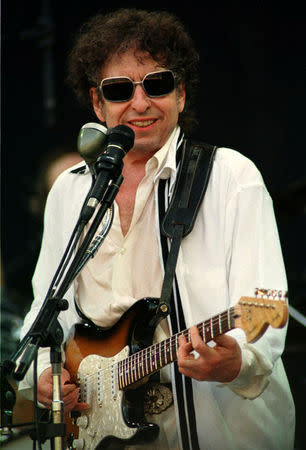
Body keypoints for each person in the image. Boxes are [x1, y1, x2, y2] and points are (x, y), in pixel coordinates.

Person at [18, 8, 295, 450]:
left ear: (181, 94)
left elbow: (265, 310)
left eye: (158, 84)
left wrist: (236, 362)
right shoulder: (69, 194)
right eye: (119, 89)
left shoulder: (231, 177)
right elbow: (44, 315)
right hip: (97, 433)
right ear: (97, 103)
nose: (140, 102)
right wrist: (46, 376)